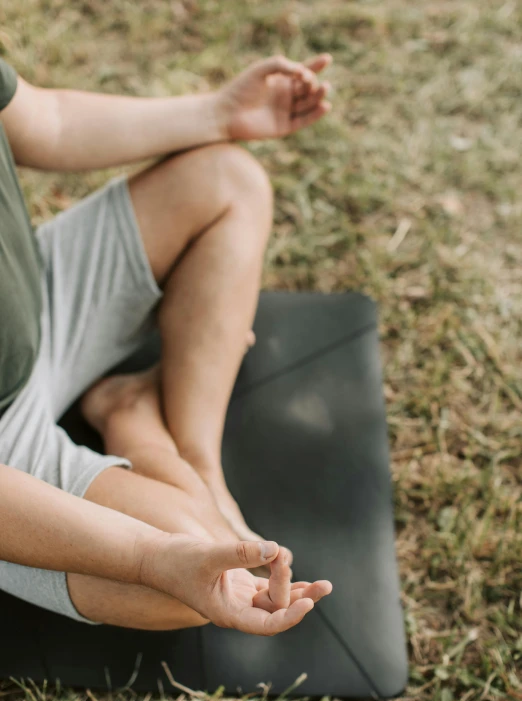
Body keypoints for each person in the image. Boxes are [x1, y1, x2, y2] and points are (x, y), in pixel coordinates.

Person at [0, 51, 333, 636]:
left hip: (38, 298)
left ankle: (195, 455)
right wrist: (152, 557)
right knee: (201, 577)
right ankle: (131, 414)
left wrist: (219, 112)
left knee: (231, 183)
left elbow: (45, 120)